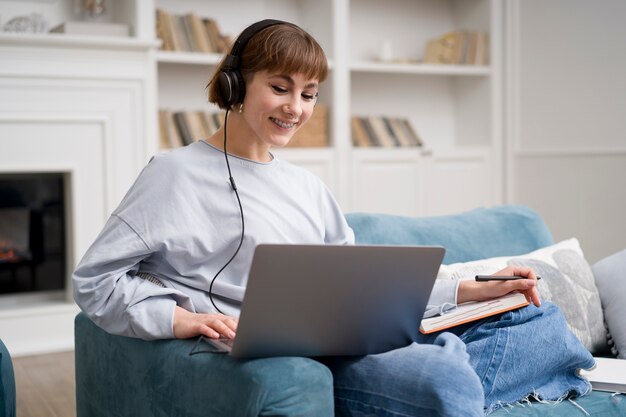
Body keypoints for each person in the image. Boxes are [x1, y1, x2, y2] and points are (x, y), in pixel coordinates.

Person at [73, 19, 594, 416]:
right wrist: (179, 319)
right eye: (280, 88)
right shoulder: (173, 175)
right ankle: (449, 366)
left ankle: (448, 356)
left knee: (537, 321)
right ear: (234, 85)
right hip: (285, 353)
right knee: (447, 379)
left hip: (349, 337)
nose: (295, 108)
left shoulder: (306, 186)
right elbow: (95, 281)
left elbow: (364, 288)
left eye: (308, 94)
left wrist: (470, 291)